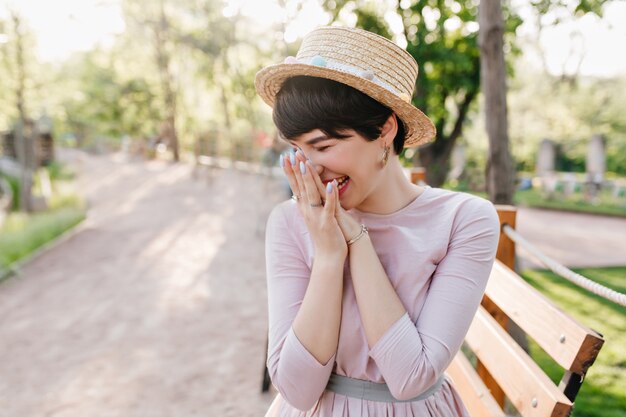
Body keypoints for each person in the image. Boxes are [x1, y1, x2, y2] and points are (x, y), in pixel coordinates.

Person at [255, 26, 500, 417]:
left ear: (385, 130)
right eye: (298, 149)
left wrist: (357, 242)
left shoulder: (465, 220)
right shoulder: (290, 221)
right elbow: (297, 391)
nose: (310, 169)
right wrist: (329, 256)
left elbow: (410, 377)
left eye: (323, 146)